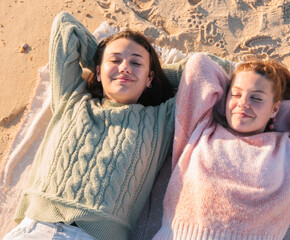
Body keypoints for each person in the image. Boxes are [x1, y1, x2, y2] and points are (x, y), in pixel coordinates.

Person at [3, 11, 194, 240]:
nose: (125, 67)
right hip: (35, 229)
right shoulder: (72, 98)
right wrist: (105, 62)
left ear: (150, 79)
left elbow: (203, 69)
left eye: (136, 63)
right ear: (97, 71)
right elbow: (65, 25)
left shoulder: (159, 121)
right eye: (115, 60)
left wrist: (151, 75)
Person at [153, 53, 290, 239]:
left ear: (275, 107)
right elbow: (199, 65)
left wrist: (275, 116)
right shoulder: (200, 131)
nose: (243, 103)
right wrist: (231, 108)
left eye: (256, 98)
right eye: (236, 94)